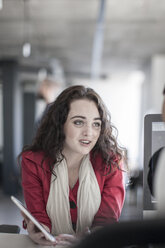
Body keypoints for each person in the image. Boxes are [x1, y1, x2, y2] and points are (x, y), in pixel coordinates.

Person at [18, 85, 125, 246]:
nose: (89, 132)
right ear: (60, 124)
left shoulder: (111, 163)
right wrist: (38, 231)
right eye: (79, 122)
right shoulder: (33, 162)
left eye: (96, 124)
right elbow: (40, 218)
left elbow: (106, 221)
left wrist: (87, 240)